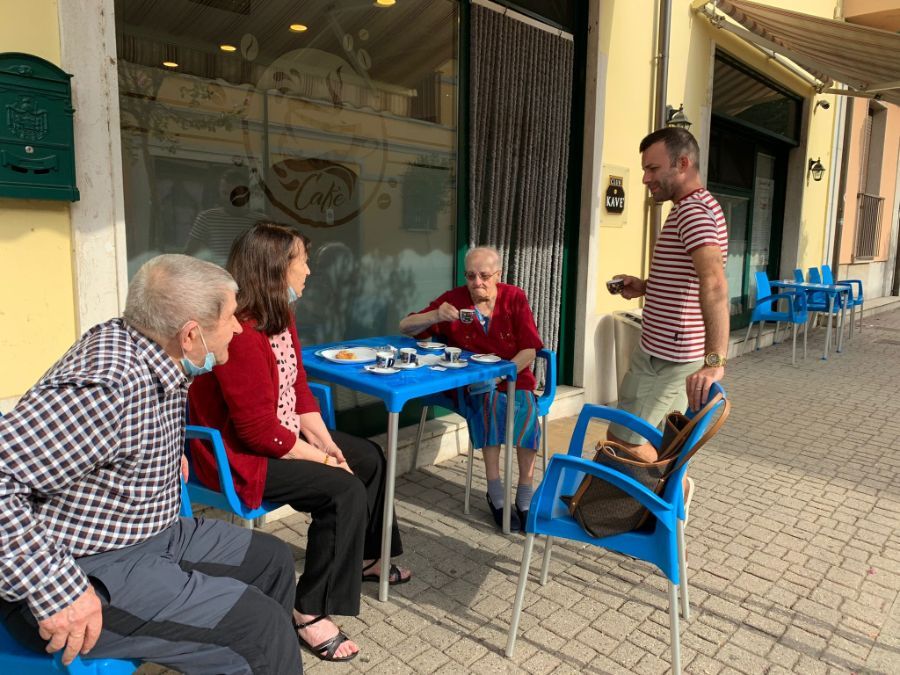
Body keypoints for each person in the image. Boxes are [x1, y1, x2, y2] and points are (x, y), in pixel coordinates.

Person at [0, 255, 303, 674]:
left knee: (272, 559)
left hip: (150, 533)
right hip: (84, 569)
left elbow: (113, 437)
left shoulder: (153, 350)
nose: (238, 328)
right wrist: (57, 590)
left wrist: (159, 455)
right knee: (261, 630)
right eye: (231, 317)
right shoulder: (108, 386)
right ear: (191, 335)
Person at [187, 221, 410, 663]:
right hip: (239, 454)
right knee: (342, 488)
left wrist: (330, 446)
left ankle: (367, 558)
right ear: (274, 270)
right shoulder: (240, 334)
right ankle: (308, 609)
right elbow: (256, 433)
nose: (308, 271)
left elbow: (299, 387)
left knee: (368, 456)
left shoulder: (281, 316)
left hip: (278, 433)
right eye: (302, 262)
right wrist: (325, 463)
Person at [607, 127, 729, 516]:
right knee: (645, 434)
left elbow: (713, 285)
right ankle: (650, 503)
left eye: (652, 168)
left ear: (683, 163)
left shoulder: (694, 212)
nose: (645, 178)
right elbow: (690, 279)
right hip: (656, 351)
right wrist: (643, 286)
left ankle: (673, 492)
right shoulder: (690, 208)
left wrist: (715, 361)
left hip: (671, 359)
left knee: (624, 437)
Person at [399, 246, 544, 532]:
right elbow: (405, 326)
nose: (477, 282)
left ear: (498, 275)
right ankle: (495, 491)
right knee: (488, 402)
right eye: (471, 276)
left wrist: (503, 375)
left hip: (514, 375)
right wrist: (435, 316)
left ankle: (525, 492)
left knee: (525, 410)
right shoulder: (453, 301)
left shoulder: (514, 297)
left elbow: (529, 349)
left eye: (484, 275)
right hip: (473, 383)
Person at [184, 167, 268, 266]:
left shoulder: (261, 222)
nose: (229, 198)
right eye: (225, 193)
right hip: (218, 279)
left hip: (249, 279)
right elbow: (188, 255)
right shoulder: (207, 218)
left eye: (235, 193)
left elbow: (270, 258)